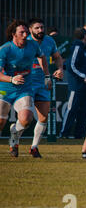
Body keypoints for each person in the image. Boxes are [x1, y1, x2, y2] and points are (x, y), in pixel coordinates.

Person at [0, 20, 50, 157]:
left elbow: (42, 57)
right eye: (21, 32)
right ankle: (13, 136)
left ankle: (14, 136)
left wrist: (47, 76)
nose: (25, 35)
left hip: (24, 88)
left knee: (27, 118)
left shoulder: (33, 45)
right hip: (5, 89)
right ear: (13, 34)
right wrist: (11, 79)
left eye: (26, 32)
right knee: (1, 122)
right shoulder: (5, 49)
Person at [27, 18, 64, 157]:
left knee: (43, 117)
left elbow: (57, 57)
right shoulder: (25, 42)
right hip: (27, 82)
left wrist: (60, 69)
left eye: (42, 27)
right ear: (30, 30)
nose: (40, 30)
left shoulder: (49, 41)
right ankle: (15, 139)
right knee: (26, 119)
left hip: (44, 82)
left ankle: (34, 147)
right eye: (37, 28)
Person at [59, 27, 86, 139]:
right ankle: (64, 133)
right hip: (76, 86)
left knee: (83, 111)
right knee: (71, 109)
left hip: (84, 87)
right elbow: (71, 66)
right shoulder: (77, 47)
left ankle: (79, 134)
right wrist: (84, 77)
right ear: (84, 36)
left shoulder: (83, 48)